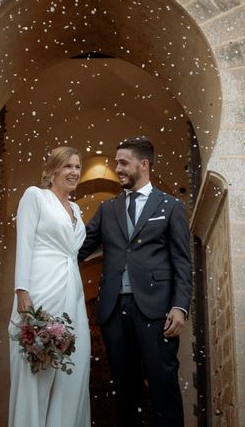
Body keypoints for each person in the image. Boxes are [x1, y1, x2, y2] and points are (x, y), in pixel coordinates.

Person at [78, 136, 193, 426]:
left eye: (123, 162)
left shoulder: (171, 206)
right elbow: (78, 250)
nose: (117, 168)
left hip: (157, 312)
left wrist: (180, 306)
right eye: (117, 162)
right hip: (114, 311)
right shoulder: (107, 210)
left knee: (162, 383)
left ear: (144, 165)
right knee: (124, 392)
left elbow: (181, 261)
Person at [8, 146, 91, 427]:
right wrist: (22, 290)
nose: (74, 172)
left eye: (78, 167)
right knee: (38, 367)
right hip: (42, 287)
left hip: (73, 290)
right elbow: (25, 244)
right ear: (52, 170)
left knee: (73, 370)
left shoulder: (77, 210)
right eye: (68, 166)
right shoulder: (36, 197)